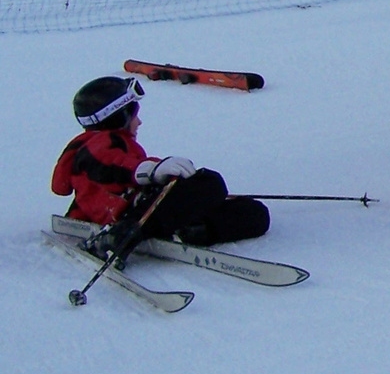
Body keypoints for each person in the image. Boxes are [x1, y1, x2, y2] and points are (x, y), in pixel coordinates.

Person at [52, 76, 269, 257]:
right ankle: (122, 235)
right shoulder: (100, 144)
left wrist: (162, 171)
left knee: (255, 213)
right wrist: (151, 171)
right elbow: (115, 165)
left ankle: (187, 233)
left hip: (145, 214)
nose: (139, 123)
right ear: (118, 117)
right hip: (130, 216)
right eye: (134, 116)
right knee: (209, 183)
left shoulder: (107, 144)